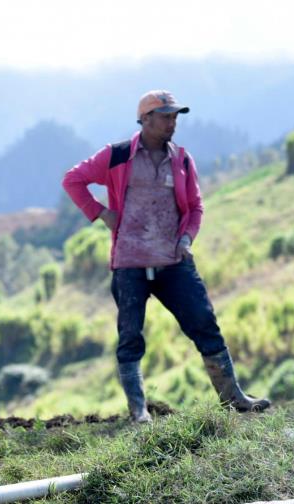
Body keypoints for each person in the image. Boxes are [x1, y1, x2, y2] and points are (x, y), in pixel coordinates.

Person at [61, 90, 270, 423]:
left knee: (204, 323)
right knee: (130, 337)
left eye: (175, 116)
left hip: (173, 261)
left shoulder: (182, 160)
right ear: (145, 119)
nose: (173, 122)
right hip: (129, 263)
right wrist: (101, 214)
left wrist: (186, 238)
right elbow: (73, 180)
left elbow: (196, 207)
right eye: (166, 116)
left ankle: (233, 399)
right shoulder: (116, 155)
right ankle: (138, 412)